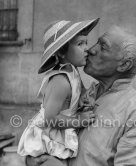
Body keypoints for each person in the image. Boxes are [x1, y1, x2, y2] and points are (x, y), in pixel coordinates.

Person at [26, 25, 136, 166]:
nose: (91, 49)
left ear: (124, 65)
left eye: (103, 47)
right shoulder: (80, 92)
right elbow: (46, 133)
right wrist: (33, 159)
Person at [17, 18, 99, 164]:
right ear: (61, 52)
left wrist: (85, 97)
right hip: (48, 138)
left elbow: (75, 97)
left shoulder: (73, 71)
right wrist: (80, 120)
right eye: (80, 44)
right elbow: (50, 119)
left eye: (86, 42)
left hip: (61, 130)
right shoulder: (60, 81)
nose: (87, 48)